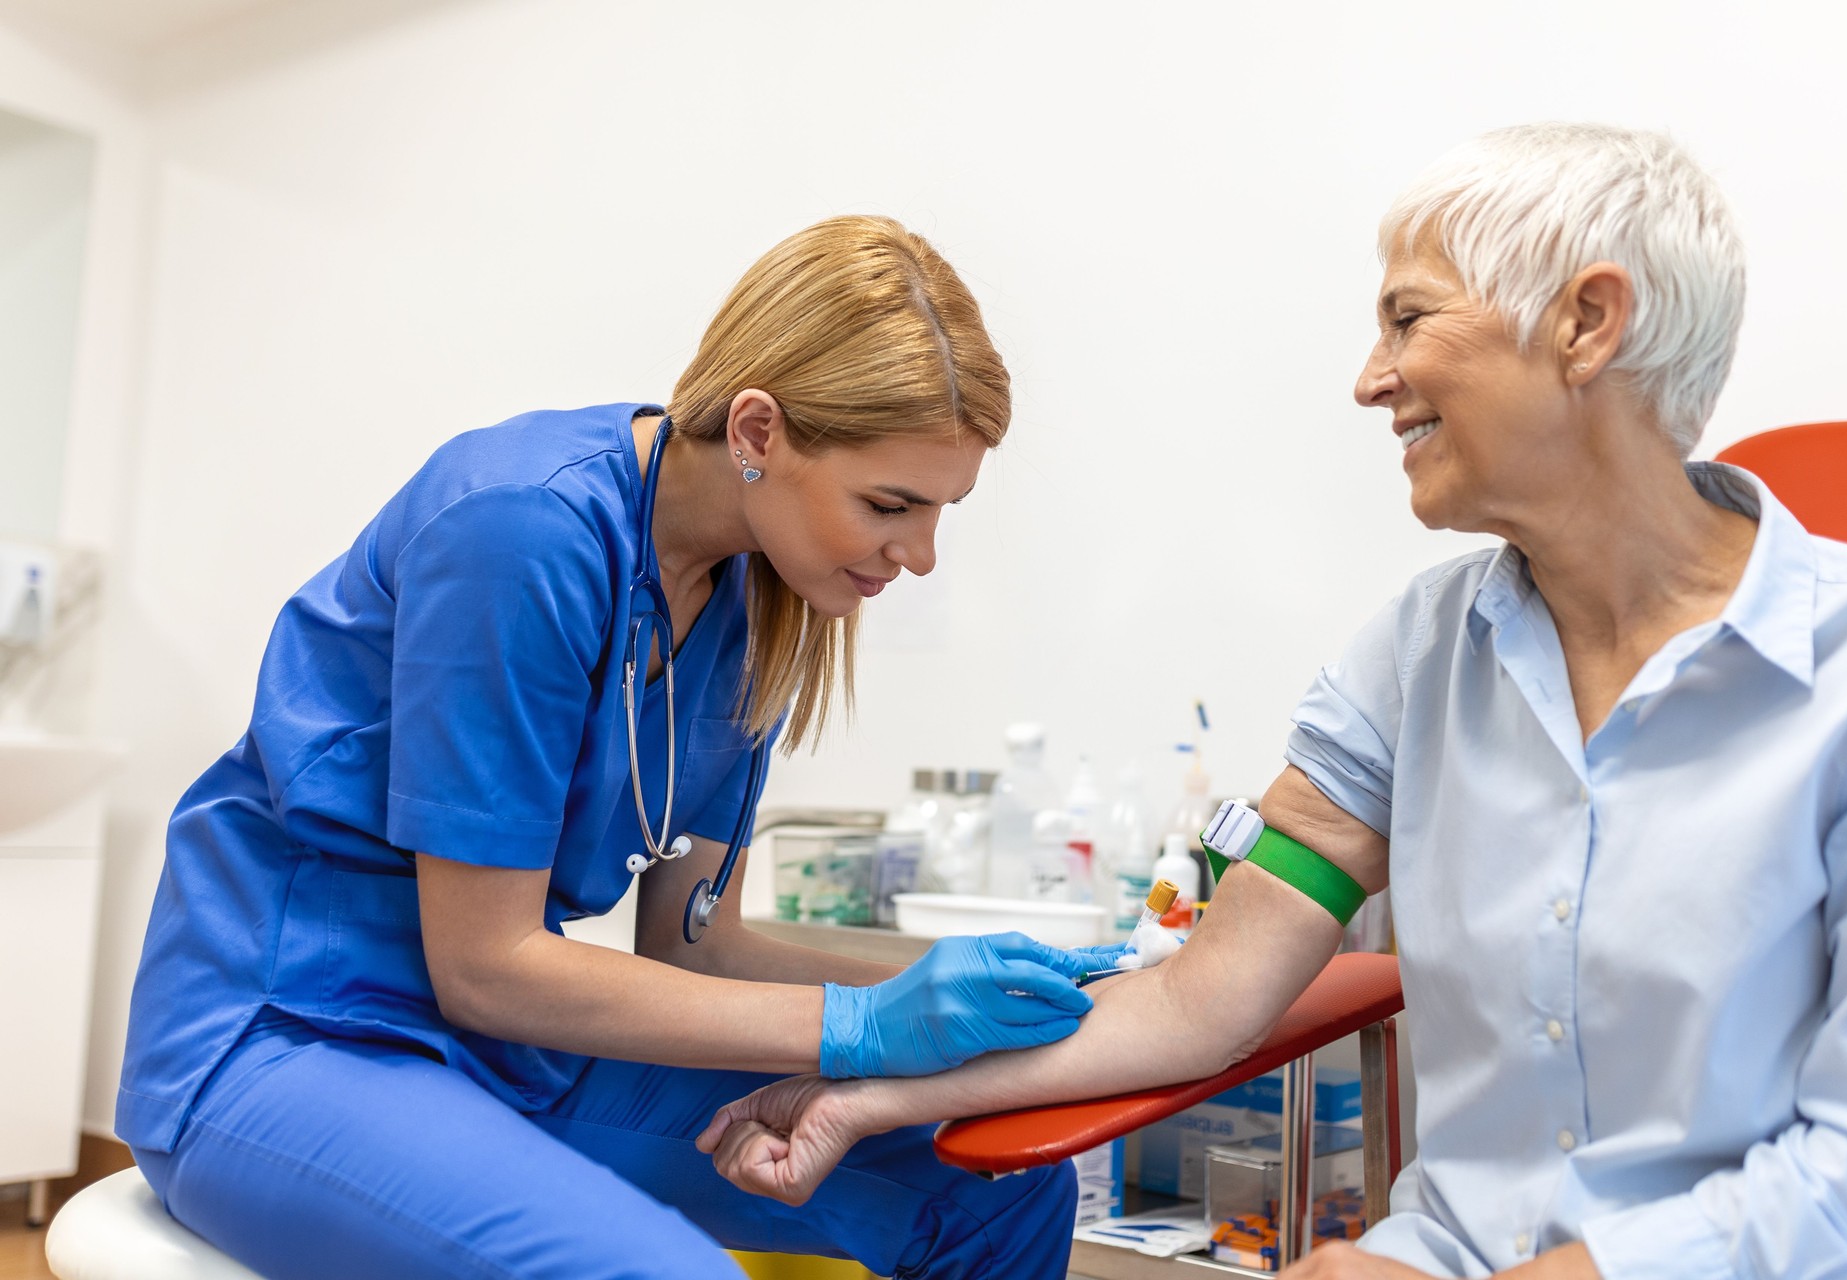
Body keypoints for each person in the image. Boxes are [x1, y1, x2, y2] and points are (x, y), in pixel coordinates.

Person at [697, 126, 1847, 1279]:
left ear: (1587, 323)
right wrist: (867, 1095)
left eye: (1408, 317)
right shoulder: (1421, 652)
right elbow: (1197, 992)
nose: (1368, 378)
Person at [117, 215, 1116, 1279]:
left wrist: (957, 996)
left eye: (940, 512)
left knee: (995, 1181)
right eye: (890, 504)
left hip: (506, 1051)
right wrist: (865, 1023)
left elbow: (696, 946)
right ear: (758, 431)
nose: (917, 555)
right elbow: (487, 966)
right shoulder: (523, 529)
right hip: (290, 1036)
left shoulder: (753, 597)